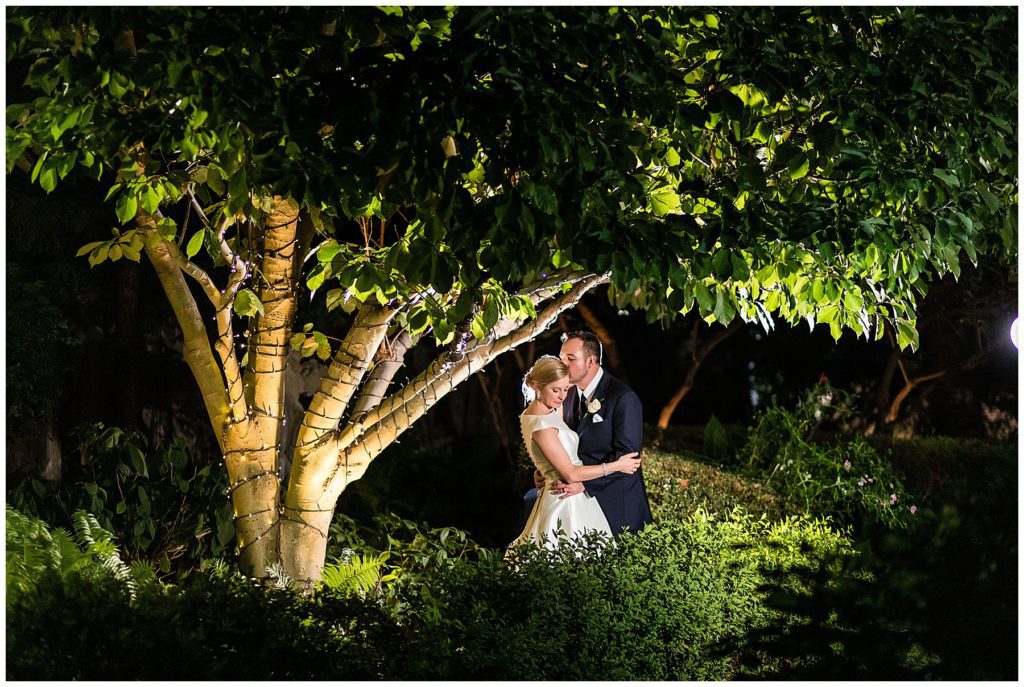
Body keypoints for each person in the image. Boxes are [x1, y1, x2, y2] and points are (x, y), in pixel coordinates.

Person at [509, 356, 642, 550]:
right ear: (537, 385)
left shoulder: (549, 411)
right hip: (564, 501)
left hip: (575, 496)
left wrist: (543, 469)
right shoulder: (540, 424)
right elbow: (570, 473)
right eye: (556, 390)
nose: (562, 396)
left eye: (565, 389)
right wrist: (617, 466)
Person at [552, 330, 653, 538]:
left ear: (590, 361)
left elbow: (628, 457)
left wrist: (584, 483)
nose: (563, 365)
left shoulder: (623, 397)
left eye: (570, 359)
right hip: (576, 502)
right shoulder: (566, 394)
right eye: (562, 358)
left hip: (616, 506)